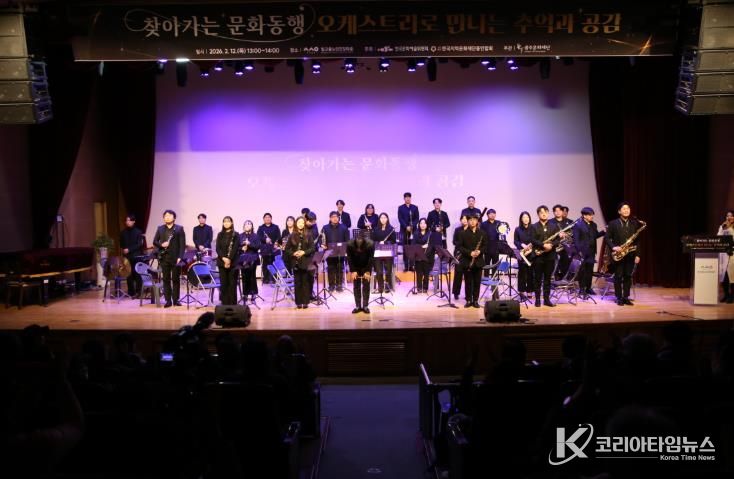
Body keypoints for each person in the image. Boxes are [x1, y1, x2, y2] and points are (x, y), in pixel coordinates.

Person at [605, 202, 643, 306]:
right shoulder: (613, 223)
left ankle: (626, 297)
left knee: (628, 276)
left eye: (628, 208)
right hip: (618, 254)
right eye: (624, 209)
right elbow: (607, 238)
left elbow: (637, 241)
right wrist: (613, 247)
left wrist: (638, 255)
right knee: (618, 276)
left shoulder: (634, 223)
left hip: (630, 254)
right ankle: (619, 297)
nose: (626, 210)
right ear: (619, 211)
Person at [153, 209, 186, 307]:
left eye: (169, 215)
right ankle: (168, 300)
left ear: (174, 218)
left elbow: (182, 245)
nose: (167, 217)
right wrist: (161, 245)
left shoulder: (179, 229)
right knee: (166, 279)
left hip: (176, 258)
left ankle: (176, 300)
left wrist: (180, 257)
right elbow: (155, 241)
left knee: (175, 279)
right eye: (165, 216)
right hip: (164, 257)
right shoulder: (160, 228)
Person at [530, 205, 560, 307]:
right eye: (541, 212)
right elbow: (532, 240)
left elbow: (558, 240)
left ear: (548, 213)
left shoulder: (554, 226)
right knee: (537, 279)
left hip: (550, 256)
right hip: (538, 257)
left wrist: (551, 245)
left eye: (545, 212)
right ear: (538, 214)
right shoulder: (533, 226)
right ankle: (538, 299)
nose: (544, 214)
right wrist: (543, 245)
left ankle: (547, 299)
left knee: (547, 279)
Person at [573, 207, 605, 298]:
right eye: (590, 215)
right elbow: (576, 240)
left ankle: (588, 288)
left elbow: (595, 236)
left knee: (589, 270)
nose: (592, 216)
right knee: (582, 271)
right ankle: (582, 289)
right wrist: (579, 251)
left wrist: (603, 232)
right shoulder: (578, 225)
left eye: (592, 215)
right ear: (584, 215)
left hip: (591, 251)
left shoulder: (593, 225)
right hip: (582, 252)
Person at [284, 216, 316, 309]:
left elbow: (312, 248)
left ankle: (305, 302)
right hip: (296, 262)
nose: (300, 224)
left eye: (302, 222)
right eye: (299, 222)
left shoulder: (308, 234)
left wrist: (304, 252)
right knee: (297, 283)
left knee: (305, 282)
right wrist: (294, 253)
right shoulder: (292, 235)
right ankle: (298, 302)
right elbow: (287, 249)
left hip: (306, 262)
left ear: (304, 224)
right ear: (296, 224)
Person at [457, 214, 486, 308]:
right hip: (467, 261)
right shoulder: (462, 233)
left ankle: (476, 300)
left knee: (477, 282)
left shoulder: (482, 233)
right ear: (468, 221)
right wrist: (470, 253)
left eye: (474, 220)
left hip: (478, 261)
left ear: (477, 221)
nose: (472, 221)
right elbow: (460, 247)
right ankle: (469, 300)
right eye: (470, 220)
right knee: (468, 282)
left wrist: (480, 251)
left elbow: (486, 246)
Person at [322, 211, 350, 292]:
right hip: (329, 252)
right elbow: (321, 239)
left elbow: (347, 240)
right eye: (333, 217)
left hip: (340, 252)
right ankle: (331, 285)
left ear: (339, 218)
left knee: (340, 268)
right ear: (330, 218)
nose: (335, 218)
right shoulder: (325, 227)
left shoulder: (344, 227)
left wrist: (346, 249)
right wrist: (322, 244)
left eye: (336, 217)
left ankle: (339, 285)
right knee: (330, 268)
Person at [347, 232, 375, 314]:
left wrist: (367, 271)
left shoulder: (370, 244)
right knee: (356, 286)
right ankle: (358, 306)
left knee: (366, 285)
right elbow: (349, 258)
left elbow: (371, 258)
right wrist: (353, 271)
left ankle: (365, 306)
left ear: (364, 240)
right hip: (355, 266)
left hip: (366, 265)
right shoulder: (350, 244)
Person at [216, 216, 240, 305]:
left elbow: (235, 248)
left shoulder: (236, 234)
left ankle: (233, 304)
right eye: (224, 221)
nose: (226, 223)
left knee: (232, 284)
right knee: (224, 284)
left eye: (228, 221)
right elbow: (218, 248)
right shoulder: (220, 234)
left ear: (232, 223)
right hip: (221, 262)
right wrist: (224, 258)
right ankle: (224, 303)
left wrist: (229, 259)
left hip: (233, 262)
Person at [119, 214, 144, 298]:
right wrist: (124, 250)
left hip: (136, 256)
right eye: (126, 220)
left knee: (137, 274)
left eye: (129, 220)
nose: (127, 222)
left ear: (134, 221)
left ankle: (139, 292)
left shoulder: (138, 232)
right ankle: (131, 292)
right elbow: (121, 244)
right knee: (128, 275)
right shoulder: (123, 232)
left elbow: (139, 244)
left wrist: (129, 249)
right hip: (127, 257)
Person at [372, 213, 396, 293]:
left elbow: (393, 241)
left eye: (385, 217)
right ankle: (380, 286)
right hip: (378, 253)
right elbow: (372, 241)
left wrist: (385, 243)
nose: (383, 219)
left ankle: (387, 286)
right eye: (381, 218)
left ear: (387, 219)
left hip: (388, 252)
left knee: (388, 271)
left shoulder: (391, 229)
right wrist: (378, 242)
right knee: (379, 271)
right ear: (379, 219)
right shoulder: (375, 229)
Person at [513, 211, 534, 302]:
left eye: (527, 217)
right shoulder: (517, 229)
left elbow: (536, 239)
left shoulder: (533, 228)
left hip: (531, 253)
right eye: (524, 217)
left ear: (529, 218)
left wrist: (530, 245)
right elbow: (515, 241)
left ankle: (529, 291)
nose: (526, 219)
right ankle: (521, 291)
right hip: (522, 254)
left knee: (530, 273)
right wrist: (522, 245)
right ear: (521, 219)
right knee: (522, 273)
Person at [239, 220, 262, 301]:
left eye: (249, 224)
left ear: (252, 226)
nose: (247, 225)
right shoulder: (240, 236)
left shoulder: (255, 236)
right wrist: (241, 248)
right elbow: (237, 247)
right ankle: (245, 294)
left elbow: (258, 246)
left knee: (252, 276)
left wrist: (250, 244)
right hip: (243, 259)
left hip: (253, 258)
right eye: (246, 224)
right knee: (244, 276)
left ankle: (253, 293)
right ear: (243, 226)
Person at [550, 204, 574, 279]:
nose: (558, 212)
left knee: (566, 263)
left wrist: (566, 235)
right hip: (555, 246)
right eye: (555, 211)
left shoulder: (569, 222)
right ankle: (553, 278)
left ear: (562, 211)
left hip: (565, 247)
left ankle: (564, 279)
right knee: (554, 264)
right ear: (553, 212)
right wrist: (558, 235)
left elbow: (573, 234)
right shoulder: (550, 222)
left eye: (559, 210)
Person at [257, 213, 281, 285]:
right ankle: (266, 278)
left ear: (271, 218)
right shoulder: (261, 228)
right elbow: (258, 237)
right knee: (265, 264)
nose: (267, 218)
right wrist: (265, 240)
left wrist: (276, 242)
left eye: (269, 217)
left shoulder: (275, 227)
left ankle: (274, 278)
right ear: (263, 219)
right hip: (265, 249)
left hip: (274, 248)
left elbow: (279, 236)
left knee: (274, 263)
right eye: (266, 217)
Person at [398, 192, 420, 272]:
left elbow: (417, 218)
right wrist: (406, 226)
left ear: (410, 198)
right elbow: (400, 219)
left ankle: (412, 266)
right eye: (406, 197)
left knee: (413, 248)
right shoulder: (400, 208)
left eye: (409, 197)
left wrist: (412, 226)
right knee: (405, 248)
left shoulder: (415, 207)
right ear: (404, 199)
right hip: (404, 231)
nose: (408, 199)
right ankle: (406, 266)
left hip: (413, 231)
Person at [413, 218, 435, 293]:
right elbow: (413, 245)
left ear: (427, 224)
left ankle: (425, 287)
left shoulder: (430, 233)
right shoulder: (416, 233)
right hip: (418, 256)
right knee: (419, 273)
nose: (422, 225)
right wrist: (422, 247)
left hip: (427, 256)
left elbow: (432, 246)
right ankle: (419, 287)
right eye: (421, 223)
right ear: (419, 224)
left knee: (426, 273)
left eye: (424, 223)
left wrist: (427, 249)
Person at [718, 210, 734, 303]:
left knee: (732, 276)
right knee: (724, 276)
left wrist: (729, 229)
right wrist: (723, 228)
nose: (729, 217)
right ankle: (726, 295)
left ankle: (732, 296)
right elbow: (718, 237)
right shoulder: (722, 226)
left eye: (731, 216)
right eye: (727, 216)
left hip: (732, 254)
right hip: (724, 254)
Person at [452, 215, 469, 300]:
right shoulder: (457, 230)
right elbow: (454, 241)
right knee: (458, 274)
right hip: (458, 253)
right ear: (460, 220)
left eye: (466, 219)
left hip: (468, 254)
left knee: (468, 275)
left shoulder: (471, 229)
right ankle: (456, 293)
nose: (464, 220)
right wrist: (461, 244)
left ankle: (468, 294)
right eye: (463, 219)